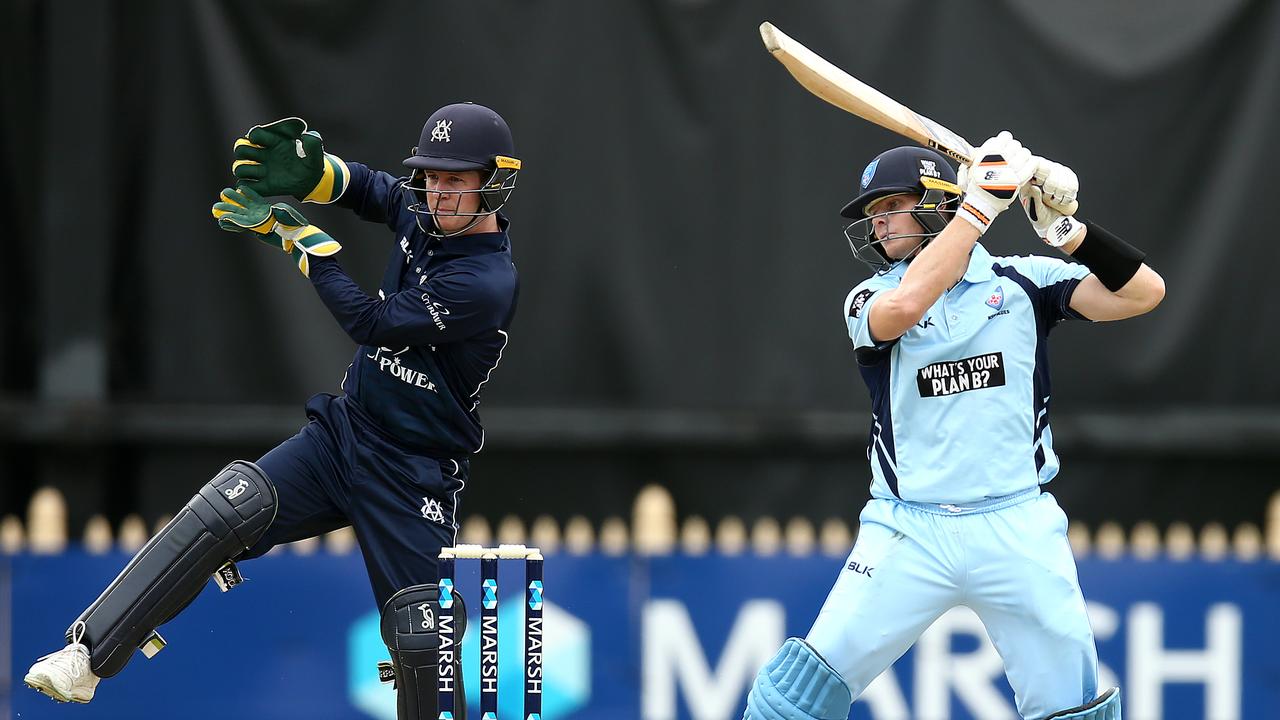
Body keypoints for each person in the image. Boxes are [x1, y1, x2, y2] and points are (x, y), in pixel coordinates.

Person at [24, 102, 521, 720]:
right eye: (432, 177)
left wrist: (300, 239)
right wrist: (317, 175)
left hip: (413, 473)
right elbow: (370, 189)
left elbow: (370, 322)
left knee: (422, 637)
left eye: (455, 180)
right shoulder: (424, 211)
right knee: (225, 509)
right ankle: (85, 659)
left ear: (491, 181)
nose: (438, 193)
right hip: (346, 434)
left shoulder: (485, 282)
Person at [743, 132, 1163, 720]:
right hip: (909, 531)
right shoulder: (869, 297)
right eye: (874, 213)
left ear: (936, 202)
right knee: (788, 707)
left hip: (1017, 526)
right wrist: (980, 209)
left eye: (893, 206)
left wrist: (1068, 233)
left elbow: (1145, 293)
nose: (881, 223)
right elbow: (908, 307)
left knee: (1073, 713)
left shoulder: (1024, 281)